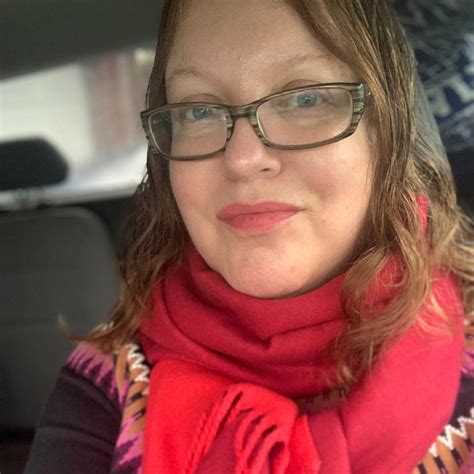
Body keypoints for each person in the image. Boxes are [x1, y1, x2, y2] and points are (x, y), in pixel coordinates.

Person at [25, 0, 474, 473]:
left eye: (305, 99)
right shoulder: (107, 382)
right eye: (198, 110)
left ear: (388, 129)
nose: (242, 159)